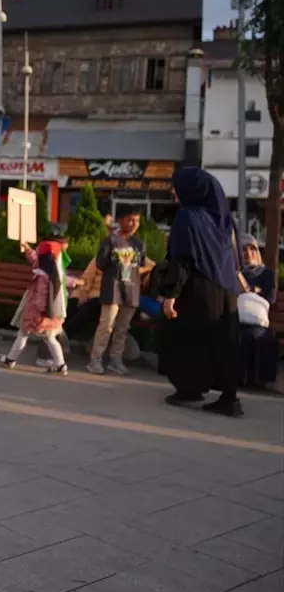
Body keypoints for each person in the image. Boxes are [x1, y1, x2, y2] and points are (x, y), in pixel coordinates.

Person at [160, 168, 245, 416]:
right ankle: (230, 398)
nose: (174, 191)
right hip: (227, 292)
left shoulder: (188, 217)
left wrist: (171, 294)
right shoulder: (226, 221)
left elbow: (182, 259)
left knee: (187, 340)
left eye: (176, 186)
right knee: (223, 342)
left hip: (198, 290)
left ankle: (190, 389)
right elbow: (237, 259)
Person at [86, 207, 151, 375]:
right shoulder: (110, 241)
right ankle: (96, 359)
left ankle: (116, 360)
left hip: (131, 291)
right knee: (106, 325)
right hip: (112, 289)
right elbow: (101, 263)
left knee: (122, 328)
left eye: (137, 221)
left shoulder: (139, 244)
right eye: (130, 220)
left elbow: (142, 265)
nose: (134, 224)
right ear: (120, 220)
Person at [0, 240, 70, 374]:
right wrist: (27, 249)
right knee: (50, 338)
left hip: (37, 315)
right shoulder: (54, 271)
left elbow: (40, 300)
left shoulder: (43, 277)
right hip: (52, 316)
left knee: (23, 334)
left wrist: (37, 315)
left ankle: (10, 360)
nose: (36, 254)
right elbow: (35, 260)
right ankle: (61, 364)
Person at [237, 234, 278, 387]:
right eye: (244, 250)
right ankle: (236, 378)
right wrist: (255, 290)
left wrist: (249, 289)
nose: (249, 253)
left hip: (258, 320)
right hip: (238, 316)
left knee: (256, 335)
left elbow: (270, 296)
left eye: (252, 249)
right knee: (235, 334)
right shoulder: (236, 272)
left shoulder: (266, 274)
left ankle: (257, 379)